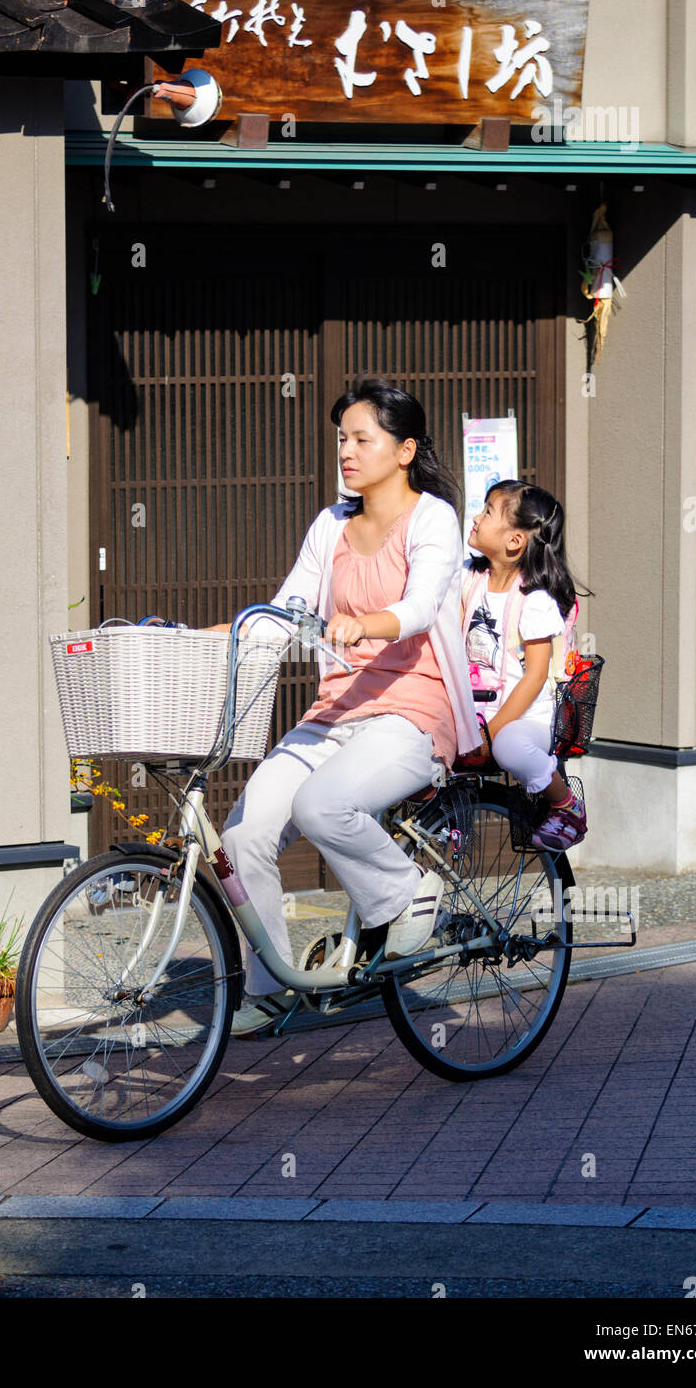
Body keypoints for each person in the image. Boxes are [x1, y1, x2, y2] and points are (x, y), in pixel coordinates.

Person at [206, 378, 481, 1037]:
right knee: (241, 839)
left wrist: (371, 624)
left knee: (321, 806)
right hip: (334, 713)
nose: (347, 451)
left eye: (363, 438)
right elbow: (289, 612)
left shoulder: (432, 518)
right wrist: (228, 634)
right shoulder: (330, 525)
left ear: (405, 449)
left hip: (413, 712)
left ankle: (407, 892)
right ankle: (273, 984)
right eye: (341, 439)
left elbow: (419, 607)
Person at [463, 479, 590, 852]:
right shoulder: (468, 581)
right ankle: (439, 823)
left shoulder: (533, 600)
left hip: (525, 718)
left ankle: (565, 804)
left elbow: (535, 677)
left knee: (511, 747)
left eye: (487, 512)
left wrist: (490, 734)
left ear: (514, 541)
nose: (476, 517)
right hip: (473, 710)